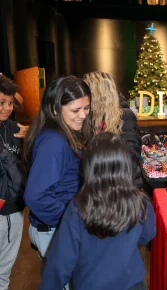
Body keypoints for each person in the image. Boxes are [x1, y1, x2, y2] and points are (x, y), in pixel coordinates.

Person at [39, 132, 156, 290]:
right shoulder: (140, 202)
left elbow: (60, 262)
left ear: (89, 166)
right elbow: (146, 236)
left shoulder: (78, 207)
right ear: (125, 164)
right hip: (132, 284)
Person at [23, 76, 91, 276]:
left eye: (86, 108)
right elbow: (36, 196)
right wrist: (71, 221)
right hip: (55, 230)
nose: (83, 115)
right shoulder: (54, 142)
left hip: (58, 228)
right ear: (54, 109)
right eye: (75, 110)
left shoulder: (63, 133)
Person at [83, 71, 143, 188]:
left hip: (122, 188)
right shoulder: (89, 118)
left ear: (97, 95)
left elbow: (131, 160)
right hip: (97, 187)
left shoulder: (124, 117)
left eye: (86, 92)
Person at [0, 75, 26, 289]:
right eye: (1, 103)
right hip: (4, 214)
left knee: (3, 273)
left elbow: (20, 100)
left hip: (12, 211)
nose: (7, 107)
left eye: (9, 103)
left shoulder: (12, 128)